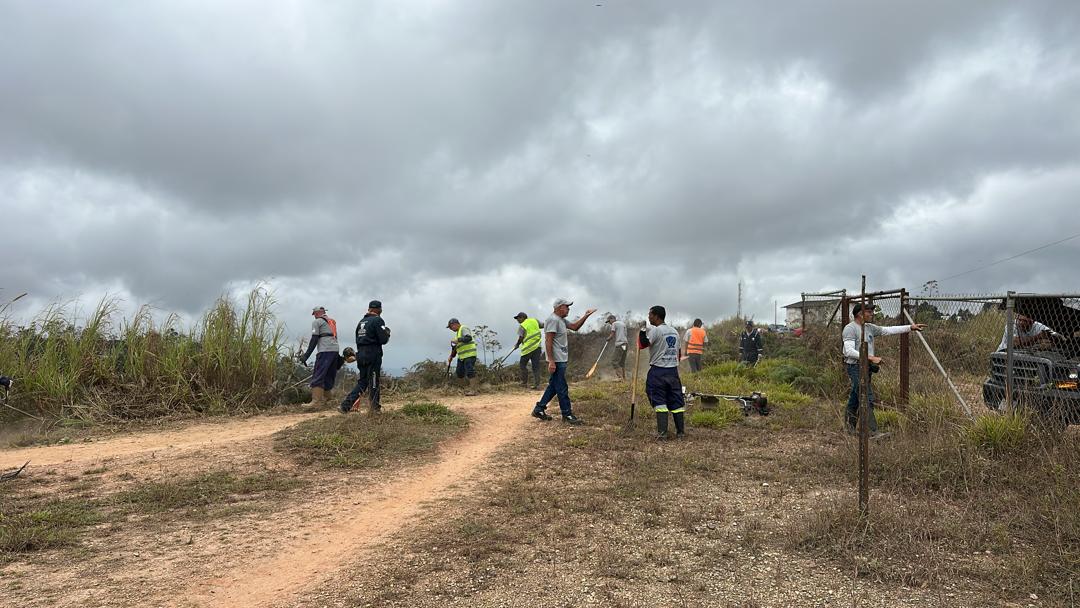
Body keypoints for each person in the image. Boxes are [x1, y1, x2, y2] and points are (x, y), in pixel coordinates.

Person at [842, 302, 926, 435]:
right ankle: (872, 431)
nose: (872, 314)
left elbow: (888, 330)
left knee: (855, 397)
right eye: (869, 312)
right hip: (855, 367)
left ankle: (849, 428)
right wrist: (870, 357)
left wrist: (910, 327)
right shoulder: (850, 329)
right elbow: (849, 351)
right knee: (866, 396)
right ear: (860, 314)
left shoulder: (869, 327)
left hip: (866, 367)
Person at [532, 298, 596, 425]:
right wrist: (551, 361)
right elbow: (548, 341)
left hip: (561, 358)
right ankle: (567, 414)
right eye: (567, 306)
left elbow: (574, 327)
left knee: (553, 386)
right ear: (559, 307)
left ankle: (539, 409)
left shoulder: (561, 320)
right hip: (557, 360)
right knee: (562, 387)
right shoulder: (552, 320)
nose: (568, 309)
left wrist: (586, 315)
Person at [639, 305, 685, 439]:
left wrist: (642, 330)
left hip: (658, 372)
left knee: (658, 400)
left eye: (650, 315)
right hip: (673, 372)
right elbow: (679, 354)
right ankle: (680, 433)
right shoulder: (674, 331)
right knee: (676, 401)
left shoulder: (656, 331)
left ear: (656, 316)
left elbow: (642, 344)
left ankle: (663, 434)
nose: (649, 317)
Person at [340, 300, 391, 413]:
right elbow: (383, 340)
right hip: (372, 354)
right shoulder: (378, 320)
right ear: (379, 309)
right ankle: (374, 409)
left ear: (369, 309)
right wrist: (387, 334)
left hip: (360, 354)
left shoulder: (361, 322)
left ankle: (345, 406)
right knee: (373, 382)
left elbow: (358, 339)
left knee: (363, 382)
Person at [298, 306, 340, 408]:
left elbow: (314, 339)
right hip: (335, 350)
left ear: (316, 313)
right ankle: (329, 399)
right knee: (329, 375)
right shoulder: (332, 321)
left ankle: (316, 401)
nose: (314, 316)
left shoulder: (317, 322)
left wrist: (306, 356)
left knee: (318, 374)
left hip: (325, 351)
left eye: (314, 314)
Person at [447, 318, 479, 396]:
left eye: (451, 327)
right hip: (462, 357)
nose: (451, 329)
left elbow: (468, 338)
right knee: (459, 373)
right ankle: (464, 389)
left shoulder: (463, 328)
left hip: (470, 354)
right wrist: (451, 356)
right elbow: (455, 348)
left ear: (454, 324)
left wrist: (458, 340)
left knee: (470, 371)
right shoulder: (457, 334)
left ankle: (473, 390)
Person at [513, 312, 543, 389]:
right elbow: (543, 325)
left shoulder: (522, 325)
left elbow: (521, 338)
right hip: (537, 347)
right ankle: (537, 385)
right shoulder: (535, 320)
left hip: (527, 349)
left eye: (518, 318)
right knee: (536, 366)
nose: (517, 320)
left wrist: (517, 345)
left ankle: (524, 383)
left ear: (522, 318)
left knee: (522, 365)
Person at [607, 314, 628, 380]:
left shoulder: (614, 323)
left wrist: (608, 338)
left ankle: (620, 378)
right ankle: (624, 378)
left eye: (609, 321)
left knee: (614, 361)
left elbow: (612, 334)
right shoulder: (622, 324)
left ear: (612, 319)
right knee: (622, 362)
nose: (609, 323)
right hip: (625, 345)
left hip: (620, 344)